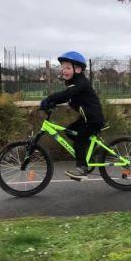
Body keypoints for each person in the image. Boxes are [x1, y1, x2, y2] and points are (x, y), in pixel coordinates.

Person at [40, 51, 104, 180]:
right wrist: (52, 102)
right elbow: (68, 96)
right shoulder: (73, 82)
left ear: (78, 69)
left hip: (92, 119)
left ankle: (82, 169)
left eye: (68, 68)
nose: (64, 71)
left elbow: (67, 94)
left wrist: (49, 98)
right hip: (87, 118)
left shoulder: (80, 83)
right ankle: (90, 151)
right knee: (70, 132)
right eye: (63, 68)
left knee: (79, 141)